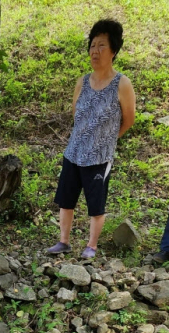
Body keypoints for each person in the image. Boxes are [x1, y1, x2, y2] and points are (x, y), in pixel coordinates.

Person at [47, 19, 136, 259]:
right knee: (66, 200)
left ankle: (91, 246)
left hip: (99, 156)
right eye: (92, 45)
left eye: (102, 46)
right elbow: (76, 115)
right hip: (74, 152)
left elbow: (129, 119)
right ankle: (63, 241)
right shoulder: (82, 82)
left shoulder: (122, 84)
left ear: (114, 51)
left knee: (96, 204)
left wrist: (108, 139)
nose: (95, 51)